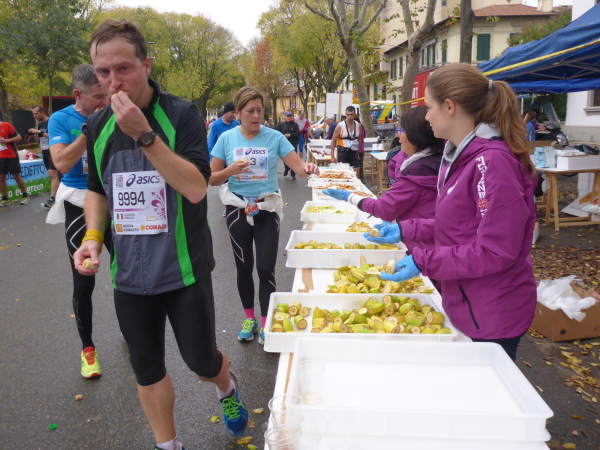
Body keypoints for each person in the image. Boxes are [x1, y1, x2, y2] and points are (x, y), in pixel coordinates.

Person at [73, 19, 248, 447]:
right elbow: (97, 190)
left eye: (124, 68)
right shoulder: (97, 127)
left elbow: (195, 187)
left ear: (146, 65)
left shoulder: (181, 115)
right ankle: (168, 445)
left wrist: (144, 134)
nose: (114, 82)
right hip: (130, 275)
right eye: (103, 72)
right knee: (146, 370)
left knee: (202, 363)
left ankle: (226, 387)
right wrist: (92, 238)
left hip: (183, 269)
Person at [366, 63, 537, 361]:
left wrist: (424, 260)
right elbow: (459, 224)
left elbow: (496, 249)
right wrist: (406, 229)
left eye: (429, 107)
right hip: (467, 301)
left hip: (492, 311)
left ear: (449, 107)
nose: (426, 116)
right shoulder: (459, 155)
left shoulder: (491, 163)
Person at [210, 87, 319, 346]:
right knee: (244, 266)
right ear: (238, 113)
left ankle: (267, 320)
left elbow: (298, 167)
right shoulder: (226, 139)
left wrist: (307, 168)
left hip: (267, 208)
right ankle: (249, 319)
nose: (256, 116)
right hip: (238, 209)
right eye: (250, 111)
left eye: (260, 110)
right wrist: (231, 170)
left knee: (265, 267)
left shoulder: (274, 137)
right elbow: (212, 179)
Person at [47, 64, 109, 379]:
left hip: (114, 200)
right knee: (84, 279)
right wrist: (89, 130)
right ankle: (88, 350)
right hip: (79, 201)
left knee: (128, 273)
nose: (104, 102)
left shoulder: (113, 113)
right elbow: (60, 162)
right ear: (77, 94)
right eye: (98, 97)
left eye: (106, 95)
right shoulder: (61, 119)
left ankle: (135, 332)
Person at [323, 106, 444, 255]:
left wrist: (349, 196)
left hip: (421, 250)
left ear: (415, 136)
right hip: (433, 245)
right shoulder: (441, 161)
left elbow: (382, 208)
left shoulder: (415, 173)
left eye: (400, 131)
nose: (398, 137)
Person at [29, 106, 59, 208]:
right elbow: (40, 141)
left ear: (42, 112)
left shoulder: (51, 122)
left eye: (36, 113)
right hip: (44, 150)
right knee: (52, 174)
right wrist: (35, 136)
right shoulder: (40, 125)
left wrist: (40, 132)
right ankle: (58, 196)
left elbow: (54, 136)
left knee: (53, 173)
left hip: (53, 149)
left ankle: (53, 198)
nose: (34, 116)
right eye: (33, 114)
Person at [0, 119, 29, 206]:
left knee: (16, 175)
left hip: (11, 155)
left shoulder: (6, 125)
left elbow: (19, 137)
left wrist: (7, 140)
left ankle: (25, 196)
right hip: (0, 157)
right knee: (1, 177)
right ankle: (5, 198)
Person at [330, 106, 363, 178]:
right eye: (348, 115)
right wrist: (332, 156)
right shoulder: (340, 126)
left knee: (356, 174)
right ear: (345, 114)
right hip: (343, 152)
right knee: (344, 175)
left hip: (353, 152)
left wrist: (357, 152)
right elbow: (333, 141)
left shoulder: (358, 125)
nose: (350, 117)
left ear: (354, 115)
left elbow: (359, 140)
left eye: (351, 115)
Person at [274, 111, 300, 180]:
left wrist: (289, 135)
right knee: (285, 159)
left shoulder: (295, 124)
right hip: (284, 144)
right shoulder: (281, 125)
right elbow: (274, 130)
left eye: (290, 116)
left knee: (293, 159)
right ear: (285, 117)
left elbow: (298, 134)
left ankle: (293, 174)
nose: (288, 118)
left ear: (292, 117)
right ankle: (286, 168)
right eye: (287, 116)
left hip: (293, 144)